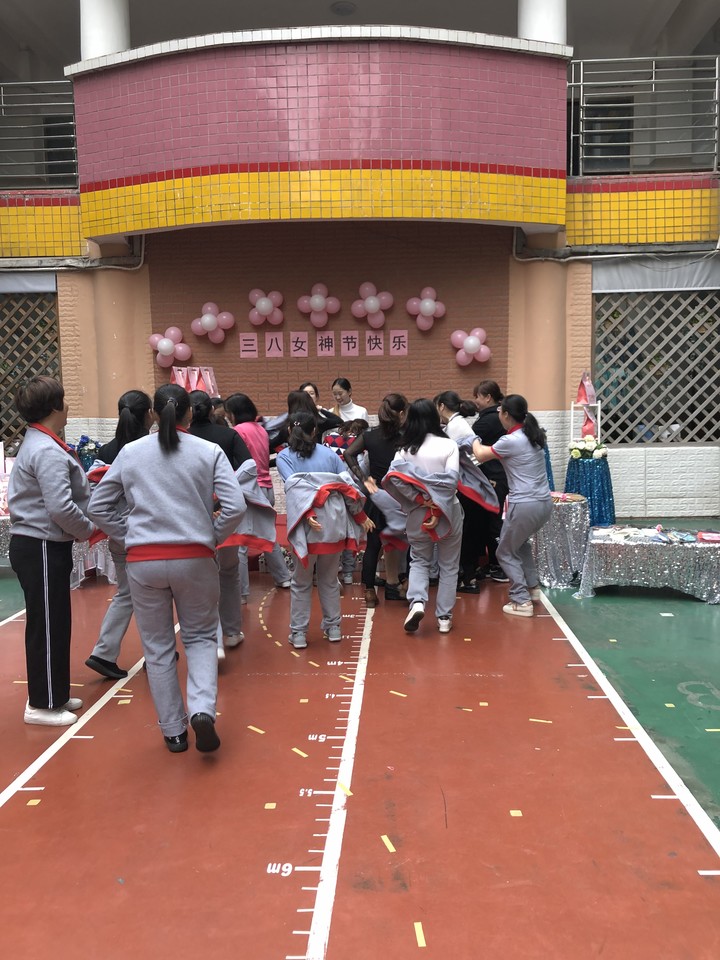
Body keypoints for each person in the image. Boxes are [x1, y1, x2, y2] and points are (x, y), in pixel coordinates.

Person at [88, 384, 245, 753]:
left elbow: (98, 507)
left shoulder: (130, 452)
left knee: (157, 647)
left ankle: (173, 731)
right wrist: (211, 536)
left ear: (153, 415)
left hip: (144, 562)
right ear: (190, 412)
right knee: (201, 637)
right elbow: (236, 506)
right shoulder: (208, 451)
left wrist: (128, 535)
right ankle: (202, 709)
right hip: (195, 557)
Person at [8, 376, 95, 726]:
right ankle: (41, 705)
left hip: (45, 544)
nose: (68, 406)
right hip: (40, 544)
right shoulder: (45, 450)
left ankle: (54, 693)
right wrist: (88, 530)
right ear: (56, 407)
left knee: (56, 622)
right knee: (46, 625)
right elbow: (60, 507)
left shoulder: (42, 442)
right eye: (64, 400)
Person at [277, 412, 373, 649]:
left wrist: (309, 512)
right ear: (314, 431)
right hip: (334, 523)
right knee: (329, 580)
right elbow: (348, 487)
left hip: (306, 523)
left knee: (301, 582)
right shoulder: (330, 454)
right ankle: (334, 628)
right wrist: (360, 516)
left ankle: (299, 633)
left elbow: (296, 490)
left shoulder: (284, 457)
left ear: (289, 431)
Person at [86, 389, 153, 681]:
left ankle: (104, 652)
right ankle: (157, 653)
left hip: (121, 538)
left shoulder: (106, 451)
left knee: (128, 594)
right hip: (148, 535)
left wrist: (120, 533)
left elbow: (97, 502)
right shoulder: (150, 448)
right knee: (158, 596)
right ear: (149, 414)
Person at [383, 398, 463, 635]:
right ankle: (444, 617)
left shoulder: (404, 450)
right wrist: (437, 507)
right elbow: (451, 482)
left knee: (419, 560)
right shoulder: (449, 445)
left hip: (418, 513)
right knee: (449, 565)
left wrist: (420, 499)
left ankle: (417, 602)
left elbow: (394, 478)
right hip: (449, 511)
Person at [470, 394, 552, 618]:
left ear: (506, 414)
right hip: (543, 504)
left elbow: (480, 454)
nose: (498, 414)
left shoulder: (511, 440)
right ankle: (532, 588)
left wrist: (470, 437)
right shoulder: (532, 435)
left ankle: (521, 600)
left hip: (525, 504)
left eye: (500, 411)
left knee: (504, 551)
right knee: (520, 544)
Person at [189, 390, 253, 658]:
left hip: (192, 518)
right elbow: (249, 466)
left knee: (202, 581)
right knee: (228, 573)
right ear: (212, 410)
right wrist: (224, 492)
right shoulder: (227, 436)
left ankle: (214, 640)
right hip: (224, 515)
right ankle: (232, 631)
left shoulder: (180, 440)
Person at [345, 393, 409, 607]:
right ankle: (399, 583)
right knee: (400, 542)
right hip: (399, 497)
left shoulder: (369, 435)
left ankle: (370, 591)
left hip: (376, 495)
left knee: (373, 544)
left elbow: (348, 453)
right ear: (401, 413)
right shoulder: (405, 437)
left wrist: (363, 478)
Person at [225, 392, 292, 592]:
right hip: (267, 488)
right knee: (267, 535)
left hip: (250, 489)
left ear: (234, 413)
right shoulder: (260, 429)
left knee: (241, 541)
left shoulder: (237, 431)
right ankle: (283, 577)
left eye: (228, 412)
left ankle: (241, 590)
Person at [436, 390, 488, 592]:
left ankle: (468, 577)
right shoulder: (457, 424)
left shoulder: (455, 426)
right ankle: (469, 573)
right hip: (470, 482)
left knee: (465, 532)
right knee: (469, 531)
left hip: (466, 484)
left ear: (441, 406)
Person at [472, 380, 510, 583]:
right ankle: (494, 562)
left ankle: (500, 565)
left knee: (493, 521)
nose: (475, 401)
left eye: (477, 396)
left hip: (494, 476)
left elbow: (469, 443)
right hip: (498, 475)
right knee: (489, 519)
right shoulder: (497, 417)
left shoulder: (488, 421)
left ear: (488, 397)